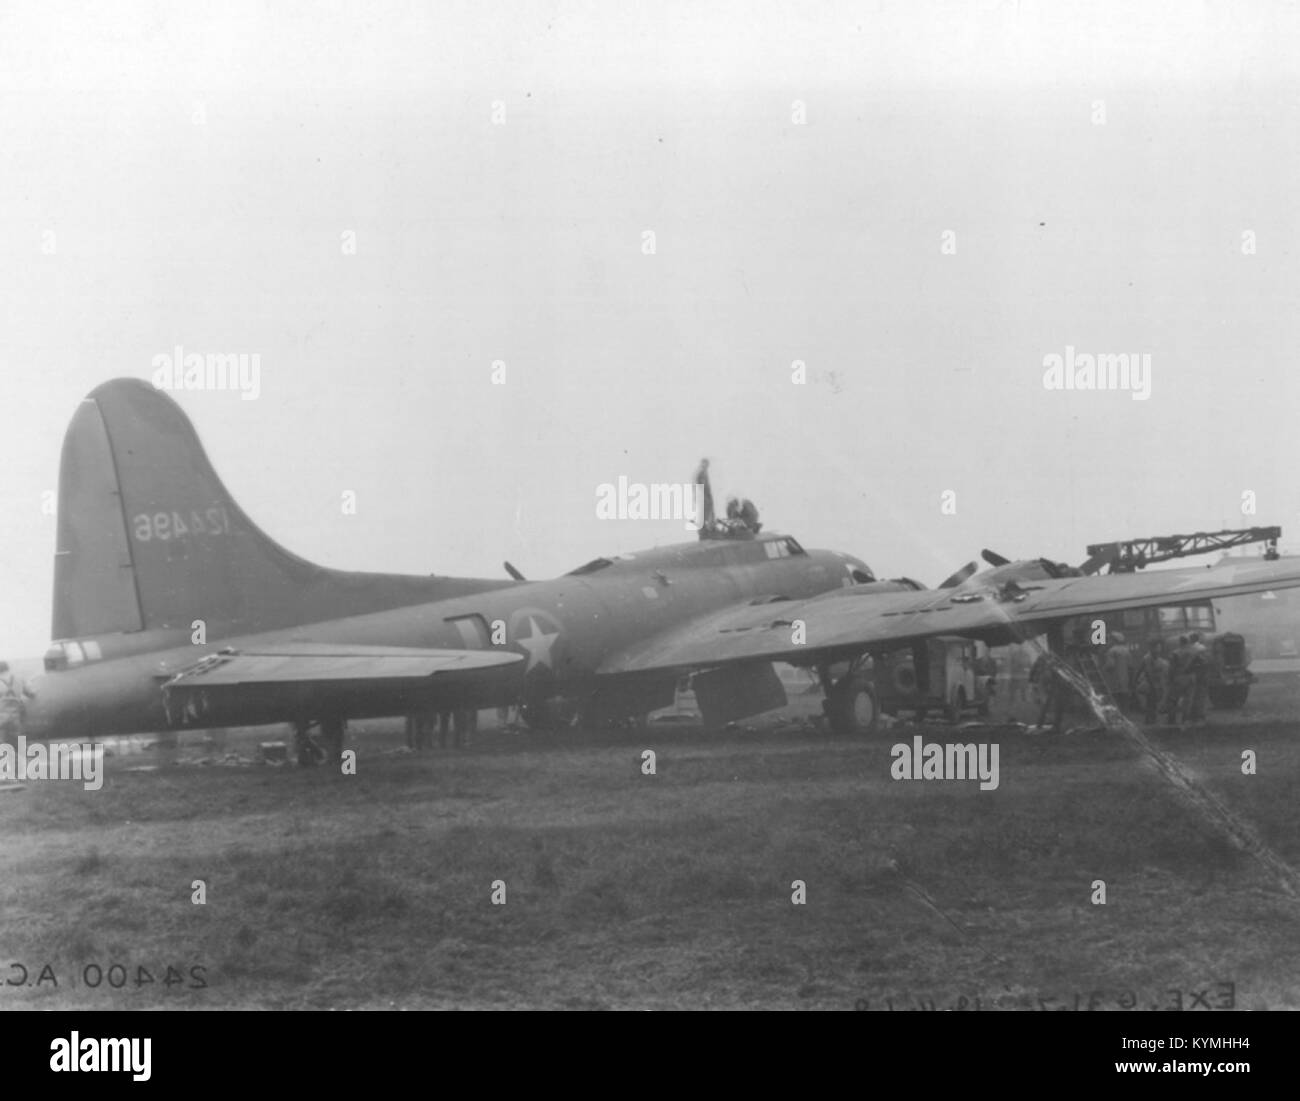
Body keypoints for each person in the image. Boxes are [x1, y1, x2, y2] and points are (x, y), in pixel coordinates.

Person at [0, 661, 35, 748]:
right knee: (19, 735)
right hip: (17, 715)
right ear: (7, 668)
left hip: (2, 716)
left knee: (3, 738)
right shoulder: (19, 678)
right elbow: (31, 693)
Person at [1134, 640, 1170, 724]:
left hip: (1157, 683)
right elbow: (1140, 670)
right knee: (1151, 702)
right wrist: (1135, 681)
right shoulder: (1146, 658)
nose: (1159, 649)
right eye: (1157, 647)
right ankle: (1150, 719)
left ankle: (1151, 719)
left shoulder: (1159, 659)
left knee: (1154, 702)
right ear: (1152, 648)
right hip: (1150, 683)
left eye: (1159, 647)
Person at [1103, 632, 1132, 709]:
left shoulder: (1111, 651)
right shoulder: (1126, 650)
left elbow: (1110, 665)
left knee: (1116, 699)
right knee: (1124, 698)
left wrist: (1104, 668)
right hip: (1125, 679)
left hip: (1114, 679)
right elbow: (1130, 665)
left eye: (1110, 639)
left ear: (1114, 640)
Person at [1187, 632, 1210, 722]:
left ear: (1192, 639)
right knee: (1202, 695)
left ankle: (1195, 715)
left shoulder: (1192, 649)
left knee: (1195, 695)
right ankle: (1201, 714)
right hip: (1204, 674)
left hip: (1196, 674)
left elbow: (1191, 662)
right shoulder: (1203, 647)